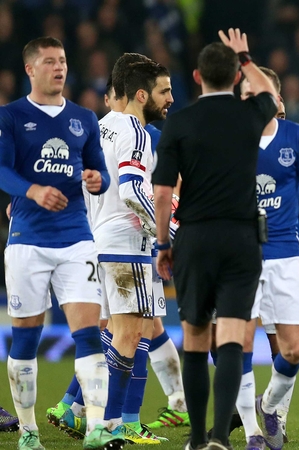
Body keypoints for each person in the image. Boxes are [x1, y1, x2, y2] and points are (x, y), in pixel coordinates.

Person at [151, 28, 279, 450]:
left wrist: (163, 244)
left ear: (196, 76)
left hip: (195, 238)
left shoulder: (179, 122)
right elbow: (271, 95)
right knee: (232, 338)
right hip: (242, 239)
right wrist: (247, 57)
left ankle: (195, 437)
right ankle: (221, 437)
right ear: (236, 77)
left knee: (195, 337)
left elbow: (163, 193)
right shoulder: (249, 114)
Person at [0, 36, 124, 450]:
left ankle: (96, 428)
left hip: (76, 239)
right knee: (25, 339)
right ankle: (29, 432)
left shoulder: (84, 118)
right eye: (50, 61)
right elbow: (2, 169)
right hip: (28, 240)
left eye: (63, 61)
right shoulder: (11, 116)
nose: (59, 68)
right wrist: (33, 190)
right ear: (30, 69)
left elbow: (100, 173)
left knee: (89, 334)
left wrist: (97, 179)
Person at [240, 64, 299, 450]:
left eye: (257, 93)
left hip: (285, 254)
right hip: (240, 256)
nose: (250, 99)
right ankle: (251, 432)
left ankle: (269, 405)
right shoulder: (229, 135)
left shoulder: (296, 136)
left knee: (292, 349)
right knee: (240, 345)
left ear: (275, 99)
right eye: (245, 94)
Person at [86, 58, 173, 444]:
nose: (169, 99)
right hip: (126, 243)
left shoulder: (101, 126)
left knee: (119, 332)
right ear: (141, 95)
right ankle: (106, 424)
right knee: (129, 334)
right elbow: (132, 190)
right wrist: (166, 233)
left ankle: (93, 416)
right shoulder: (136, 131)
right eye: (163, 91)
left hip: (100, 241)